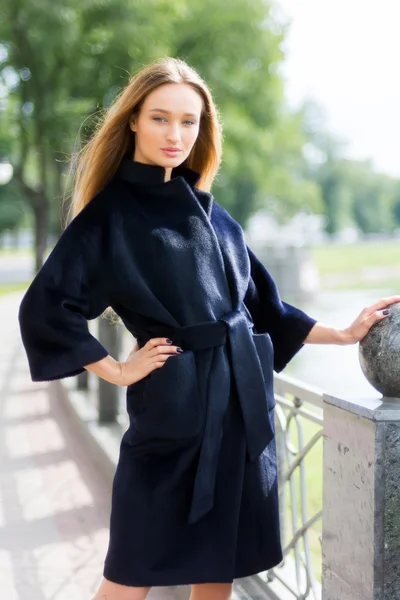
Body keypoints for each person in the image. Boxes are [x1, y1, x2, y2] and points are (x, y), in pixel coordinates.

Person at [18, 56, 400, 600]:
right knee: (129, 574)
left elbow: (264, 309)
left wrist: (343, 334)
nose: (175, 134)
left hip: (242, 417)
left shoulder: (215, 214)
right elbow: (46, 307)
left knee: (219, 568)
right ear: (132, 120)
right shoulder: (111, 216)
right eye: (160, 118)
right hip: (171, 415)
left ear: (204, 128)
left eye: (189, 121)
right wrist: (118, 371)